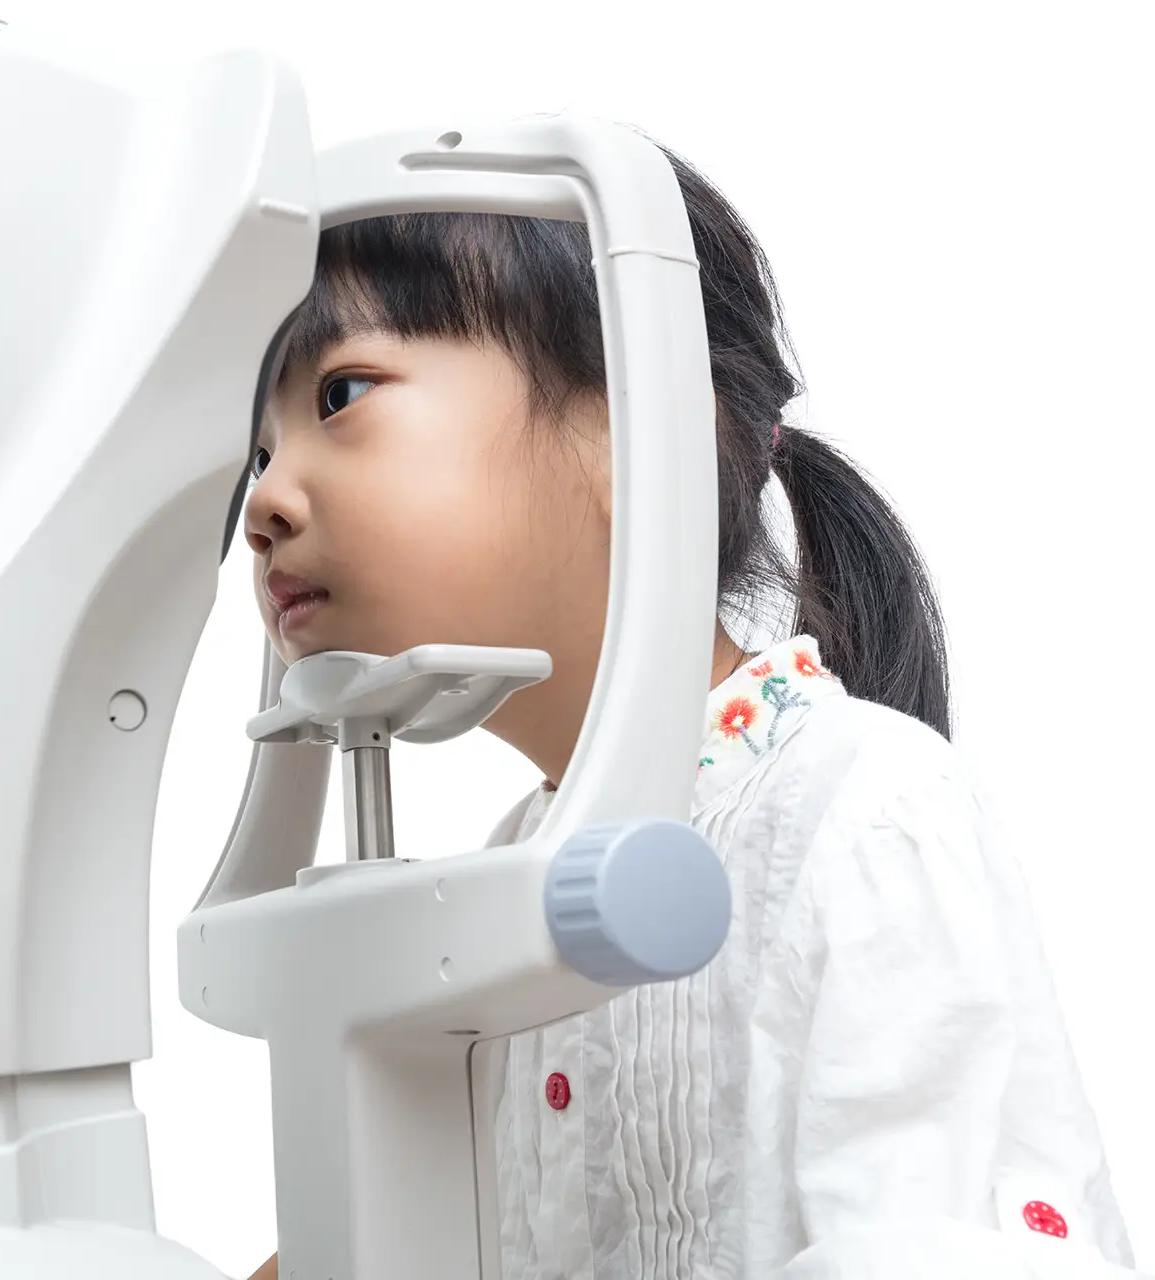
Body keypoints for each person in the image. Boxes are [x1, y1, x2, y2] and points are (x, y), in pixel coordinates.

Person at [239, 136, 1135, 1278]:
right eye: (261, 446)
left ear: (639, 429)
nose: (264, 496)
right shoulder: (512, 874)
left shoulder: (866, 814)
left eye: (341, 393)